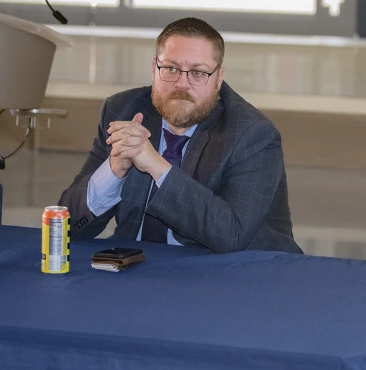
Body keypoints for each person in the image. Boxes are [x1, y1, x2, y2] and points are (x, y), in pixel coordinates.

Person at [58, 17, 300, 254]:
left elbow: (231, 234)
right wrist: (113, 170)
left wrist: (157, 167)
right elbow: (66, 227)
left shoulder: (252, 134)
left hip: (241, 273)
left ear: (219, 78)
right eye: (171, 68)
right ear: (154, 68)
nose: (182, 84)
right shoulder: (123, 110)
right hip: (139, 264)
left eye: (198, 73)